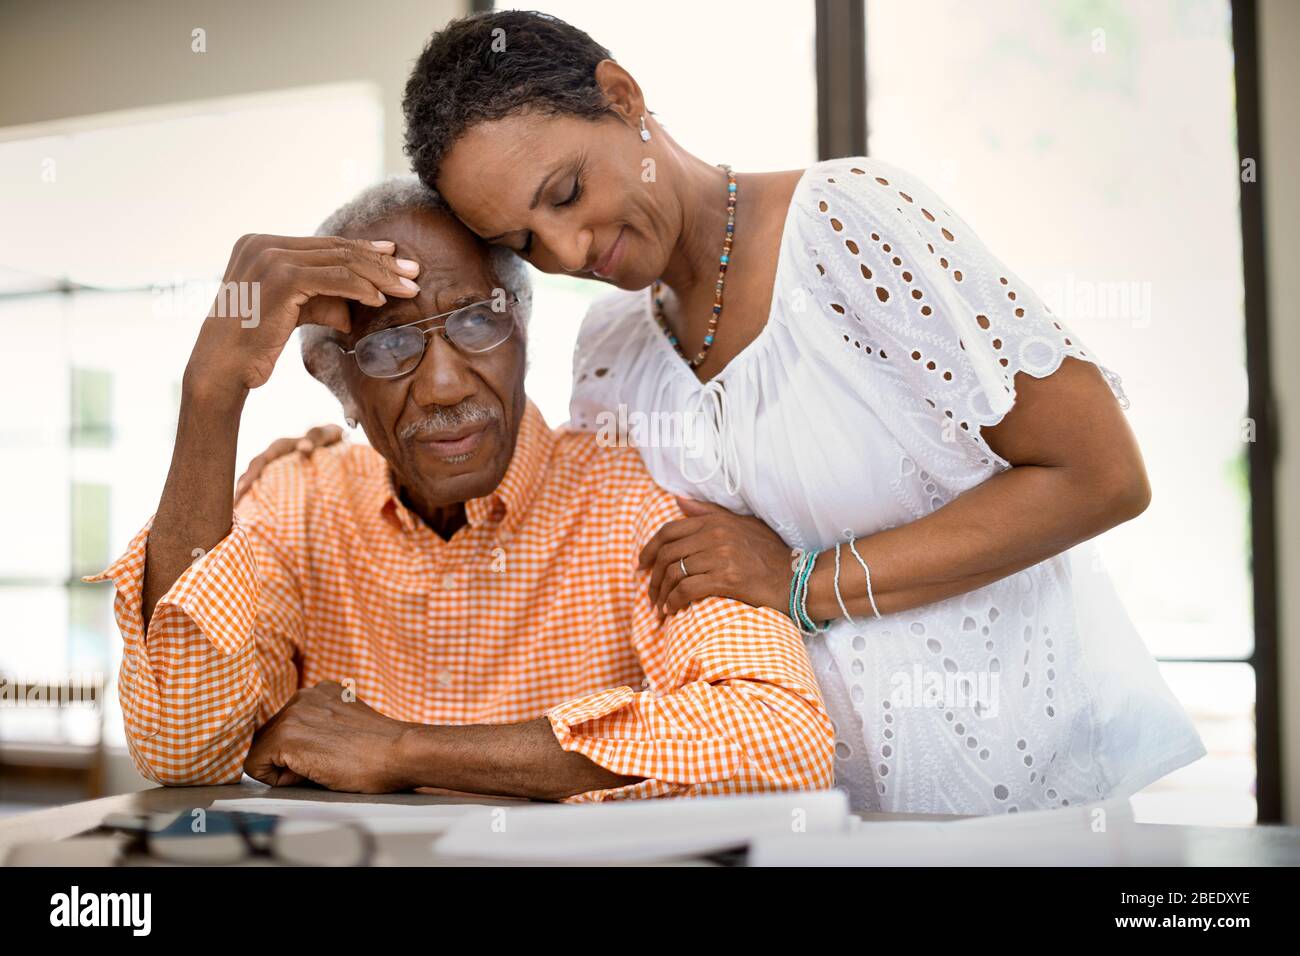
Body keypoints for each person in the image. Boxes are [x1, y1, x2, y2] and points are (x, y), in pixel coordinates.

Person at [252, 10, 1205, 814]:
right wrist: (350, 446)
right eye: (523, 240)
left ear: (621, 97)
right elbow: (594, 541)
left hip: (1028, 792)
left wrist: (802, 580)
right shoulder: (611, 353)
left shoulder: (851, 226)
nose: (570, 247)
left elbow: (1102, 477)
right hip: (811, 811)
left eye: (568, 191)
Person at [88, 178, 834, 801]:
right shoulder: (298, 502)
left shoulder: (632, 491)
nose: (445, 385)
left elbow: (780, 740)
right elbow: (179, 749)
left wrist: (409, 750)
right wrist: (212, 392)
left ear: (524, 336)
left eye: (478, 321)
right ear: (336, 382)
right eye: (387, 345)